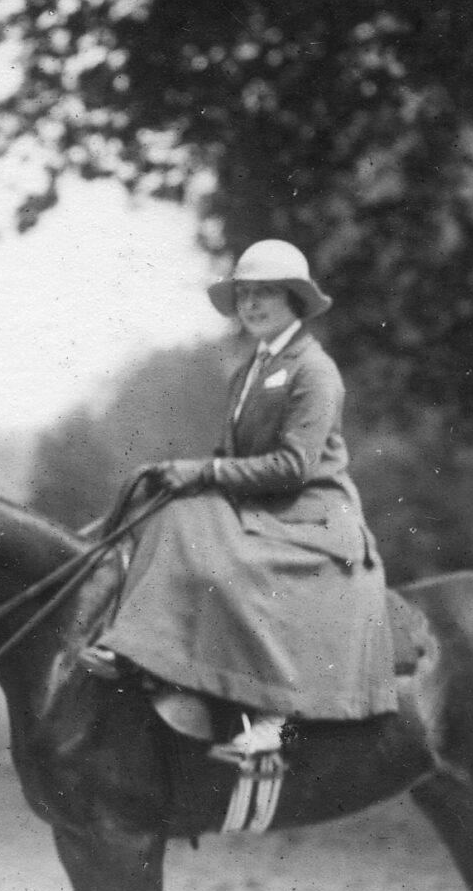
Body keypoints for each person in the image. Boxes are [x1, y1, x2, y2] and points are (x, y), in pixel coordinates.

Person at [82, 239, 398, 767]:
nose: (251, 305)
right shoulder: (251, 368)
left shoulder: (314, 370)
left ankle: (273, 718)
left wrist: (204, 473)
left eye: (265, 293)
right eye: (245, 295)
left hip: (312, 514)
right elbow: (234, 457)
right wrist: (186, 478)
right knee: (172, 513)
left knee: (226, 564)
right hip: (263, 505)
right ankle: (144, 653)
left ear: (294, 300)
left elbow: (294, 466)